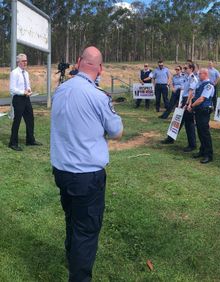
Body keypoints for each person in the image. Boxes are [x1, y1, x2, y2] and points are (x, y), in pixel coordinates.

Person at [50, 46, 123, 281]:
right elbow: (117, 132)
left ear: (79, 61)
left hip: (62, 170)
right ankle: (79, 275)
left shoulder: (60, 90)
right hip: (86, 175)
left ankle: (72, 256)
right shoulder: (98, 96)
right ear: (100, 68)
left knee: (71, 217)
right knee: (86, 229)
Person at [8, 53, 42, 151]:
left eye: (26, 61)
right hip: (18, 99)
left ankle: (30, 140)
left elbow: (28, 85)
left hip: (26, 99)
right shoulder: (14, 73)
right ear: (18, 62)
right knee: (17, 121)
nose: (25, 63)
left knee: (30, 119)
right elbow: (12, 89)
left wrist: (29, 90)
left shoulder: (26, 73)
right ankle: (13, 143)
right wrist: (23, 92)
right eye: (23, 61)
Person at [160, 64, 198, 151]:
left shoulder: (192, 78)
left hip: (188, 101)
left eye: (186, 68)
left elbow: (191, 92)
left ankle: (192, 145)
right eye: (184, 68)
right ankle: (170, 138)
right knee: (178, 120)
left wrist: (187, 103)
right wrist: (182, 102)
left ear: (191, 69)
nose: (184, 70)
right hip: (184, 100)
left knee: (189, 124)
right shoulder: (187, 77)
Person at [189, 68, 214, 164]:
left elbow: (202, 99)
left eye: (200, 74)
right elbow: (194, 95)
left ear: (205, 74)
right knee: (200, 131)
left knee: (205, 133)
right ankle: (202, 151)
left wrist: (192, 106)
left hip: (204, 110)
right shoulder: (201, 84)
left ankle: (209, 154)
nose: (198, 75)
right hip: (199, 110)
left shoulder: (209, 85)